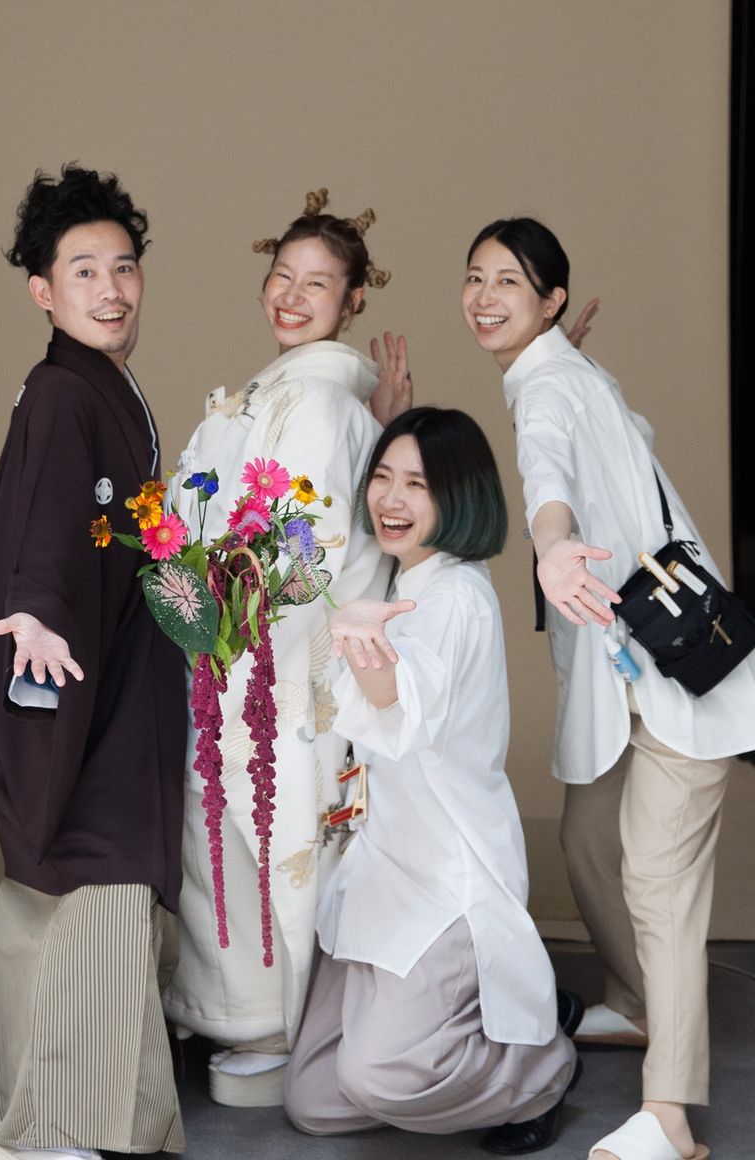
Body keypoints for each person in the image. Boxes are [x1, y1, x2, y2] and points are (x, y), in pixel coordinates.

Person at [463, 217, 755, 1160]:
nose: (485, 297)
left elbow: (546, 475)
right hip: (626, 683)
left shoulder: (551, 387)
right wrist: (564, 359)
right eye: (476, 277)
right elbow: (624, 442)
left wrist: (550, 543)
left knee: (659, 881)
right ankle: (634, 1000)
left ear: (550, 301)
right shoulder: (564, 374)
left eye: (510, 282)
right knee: (589, 839)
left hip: (678, 685)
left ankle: (670, 1116)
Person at [0, 165, 186, 1160]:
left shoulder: (104, 385)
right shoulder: (60, 392)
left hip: (103, 662)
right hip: (52, 656)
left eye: (123, 266)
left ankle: (78, 1118)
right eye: (82, 269)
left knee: (68, 879)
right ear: (41, 290)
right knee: (91, 866)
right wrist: (39, 614)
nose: (109, 288)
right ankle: (47, 1129)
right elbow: (46, 521)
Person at [162, 189, 411, 1106]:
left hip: (279, 662)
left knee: (274, 827)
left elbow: (314, 550)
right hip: (234, 649)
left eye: (318, 284)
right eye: (282, 276)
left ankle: (274, 1022)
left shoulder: (318, 401)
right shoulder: (276, 394)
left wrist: (225, 623)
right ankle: (242, 1011)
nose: (293, 297)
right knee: (236, 828)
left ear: (352, 300)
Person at [282, 407, 581, 1155]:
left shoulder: (454, 597)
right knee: (315, 1101)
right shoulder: (404, 574)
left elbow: (399, 704)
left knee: (378, 1077)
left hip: (444, 882)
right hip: (382, 874)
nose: (392, 498)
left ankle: (539, 1068)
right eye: (383, 477)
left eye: (418, 484)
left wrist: (361, 643)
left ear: (459, 496)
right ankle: (487, 1027)